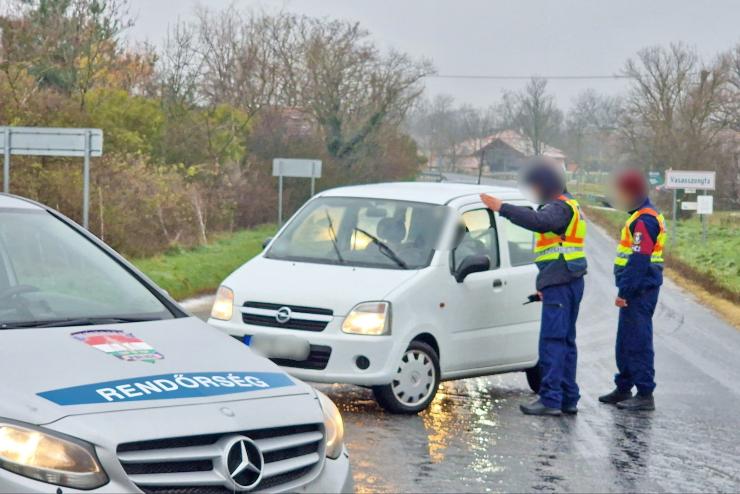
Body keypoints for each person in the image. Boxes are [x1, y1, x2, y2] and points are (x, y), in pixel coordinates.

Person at [480, 158, 587, 416]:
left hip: (561, 283)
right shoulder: (569, 205)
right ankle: (567, 398)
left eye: (536, 186)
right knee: (565, 342)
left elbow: (538, 222)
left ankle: (551, 399)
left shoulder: (559, 208)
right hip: (565, 280)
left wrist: (501, 208)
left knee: (552, 341)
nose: (534, 192)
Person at [599, 168, 666, 412]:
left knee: (638, 341)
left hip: (639, 290)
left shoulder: (645, 220)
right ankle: (624, 387)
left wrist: (625, 292)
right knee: (626, 340)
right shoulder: (639, 215)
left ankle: (645, 393)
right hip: (637, 288)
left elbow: (639, 260)